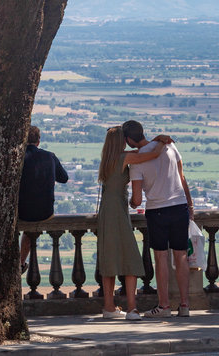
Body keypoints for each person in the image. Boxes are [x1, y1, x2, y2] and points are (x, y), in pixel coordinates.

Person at [96, 126, 169, 320]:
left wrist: (154, 139)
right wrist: (161, 140)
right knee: (131, 258)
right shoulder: (124, 159)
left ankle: (109, 307)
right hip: (118, 211)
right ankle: (132, 308)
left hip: (106, 212)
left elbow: (138, 151)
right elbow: (152, 154)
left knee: (109, 258)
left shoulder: (109, 159)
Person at [125, 120, 195, 319]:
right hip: (180, 206)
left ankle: (164, 305)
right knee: (181, 256)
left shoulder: (137, 160)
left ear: (129, 140)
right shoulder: (169, 146)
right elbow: (182, 178)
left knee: (161, 257)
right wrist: (190, 206)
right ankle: (185, 305)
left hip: (157, 210)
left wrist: (130, 201)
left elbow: (137, 199)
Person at [18, 125, 69, 272]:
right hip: (46, 211)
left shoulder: (19, 158)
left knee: (25, 225)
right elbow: (64, 178)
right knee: (30, 230)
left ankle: (20, 263)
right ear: (38, 141)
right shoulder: (50, 156)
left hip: (23, 211)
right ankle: (21, 262)